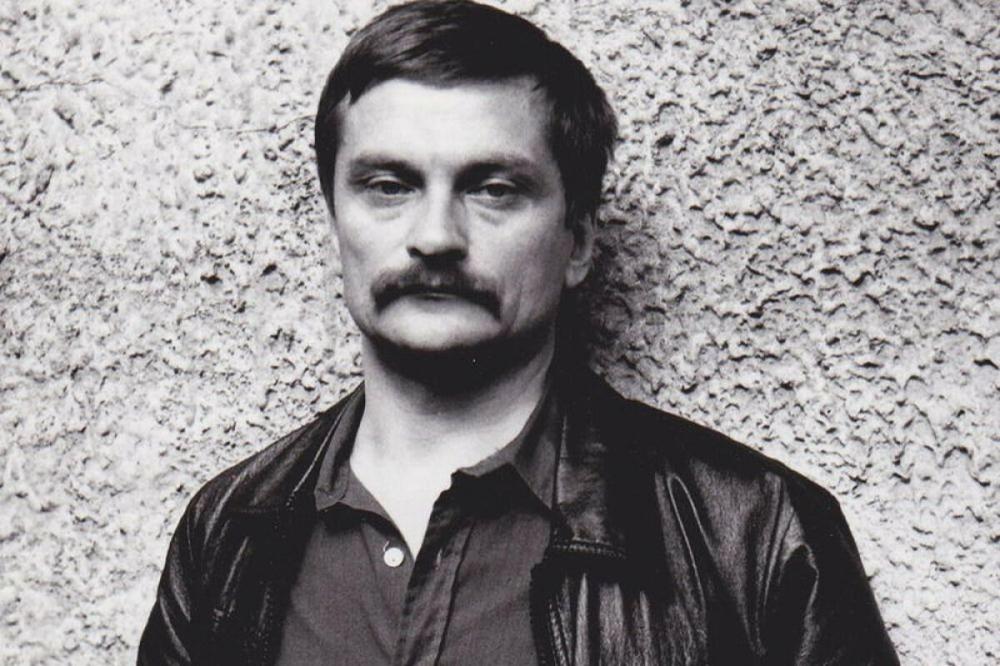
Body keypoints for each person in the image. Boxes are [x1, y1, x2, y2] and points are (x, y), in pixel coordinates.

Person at [138, 1, 898, 664]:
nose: (436, 236)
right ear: (336, 223)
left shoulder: (760, 535)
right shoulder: (228, 533)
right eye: (389, 186)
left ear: (580, 240)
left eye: (494, 189)